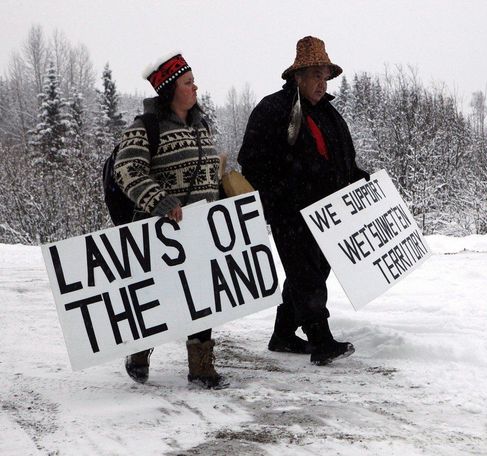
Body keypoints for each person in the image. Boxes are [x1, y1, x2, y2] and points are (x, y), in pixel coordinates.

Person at [238, 36, 370, 365]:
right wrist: (284, 189)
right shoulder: (272, 109)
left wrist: (357, 177)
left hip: (328, 214)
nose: (321, 84)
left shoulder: (330, 115)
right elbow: (251, 162)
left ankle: (283, 333)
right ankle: (320, 338)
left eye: (325, 77)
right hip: (289, 212)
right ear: (297, 77)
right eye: (315, 76)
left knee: (314, 271)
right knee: (305, 273)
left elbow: (343, 160)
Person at [114, 53, 223, 387]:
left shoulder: (201, 126)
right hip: (160, 232)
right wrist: (159, 200)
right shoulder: (144, 129)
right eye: (188, 83)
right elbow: (126, 170)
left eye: (193, 82)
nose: (195, 88)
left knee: (200, 295)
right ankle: (139, 348)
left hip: (198, 230)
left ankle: (201, 366)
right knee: (156, 297)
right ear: (170, 90)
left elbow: (207, 173)